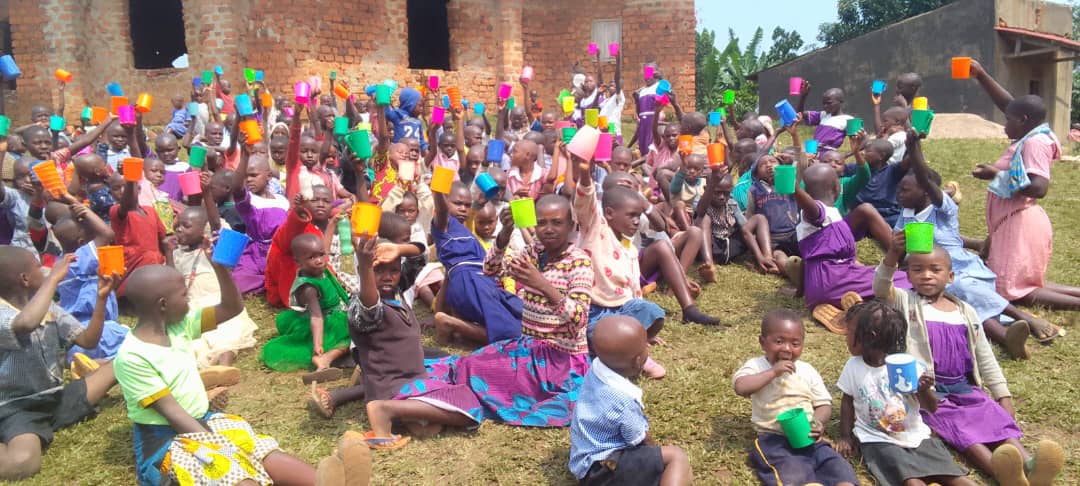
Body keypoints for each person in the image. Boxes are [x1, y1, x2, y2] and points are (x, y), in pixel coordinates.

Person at [363, 195, 593, 446]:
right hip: (527, 349)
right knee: (464, 366)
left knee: (474, 380)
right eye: (542, 222)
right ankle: (398, 391)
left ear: (572, 226)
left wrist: (541, 284)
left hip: (558, 364)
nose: (548, 229)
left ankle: (404, 406)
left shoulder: (578, 262)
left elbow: (578, 320)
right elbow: (490, 271)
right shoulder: (535, 252)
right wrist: (504, 235)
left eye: (557, 223)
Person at [111, 262, 369, 485]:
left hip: (204, 420)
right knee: (232, 470)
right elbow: (174, 414)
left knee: (259, 449)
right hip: (166, 440)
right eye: (183, 294)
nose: (189, 298)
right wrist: (224, 450)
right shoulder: (132, 357)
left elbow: (231, 308)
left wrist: (221, 269)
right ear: (162, 305)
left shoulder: (179, 326)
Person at [874, 236, 1065, 485]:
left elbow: (985, 357)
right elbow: (880, 287)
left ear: (951, 277)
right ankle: (1003, 474)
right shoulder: (906, 302)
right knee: (965, 434)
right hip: (930, 393)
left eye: (935, 269)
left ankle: (1031, 466)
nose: (926, 275)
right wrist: (892, 254)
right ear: (907, 276)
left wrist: (1003, 396)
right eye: (917, 270)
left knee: (995, 419)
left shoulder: (965, 311)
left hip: (965, 388)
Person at [894, 131, 1055, 359]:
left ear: (926, 192)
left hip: (962, 270)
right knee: (957, 302)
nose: (899, 194)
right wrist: (899, 251)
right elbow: (900, 250)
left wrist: (914, 147)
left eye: (905, 190)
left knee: (961, 288)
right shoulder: (906, 214)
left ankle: (1025, 318)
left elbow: (925, 179)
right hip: (930, 276)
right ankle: (1004, 337)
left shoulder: (943, 209)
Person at [967, 59, 1080, 310]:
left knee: (1013, 292)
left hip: (1021, 223)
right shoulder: (1032, 131)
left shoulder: (1034, 143)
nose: (1004, 123)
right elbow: (1010, 104)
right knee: (1027, 284)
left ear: (1024, 120)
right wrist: (982, 74)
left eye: (1008, 120)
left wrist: (996, 173)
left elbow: (1039, 187)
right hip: (1014, 222)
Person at [0, 248, 118, 480]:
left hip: (54, 398)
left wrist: (101, 299)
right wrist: (54, 279)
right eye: (37, 266)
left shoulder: (47, 307)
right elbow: (24, 324)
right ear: (24, 279)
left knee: (123, 363)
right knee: (23, 463)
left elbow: (88, 340)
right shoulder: (4, 312)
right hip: (19, 408)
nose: (45, 271)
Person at [835, 301, 975, 486]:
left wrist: (923, 389)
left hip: (917, 435)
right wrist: (845, 435)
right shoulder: (853, 366)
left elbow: (931, 408)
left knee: (954, 476)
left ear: (870, 337)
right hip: (877, 438)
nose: (846, 337)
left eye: (851, 333)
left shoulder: (908, 367)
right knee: (911, 481)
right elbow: (847, 401)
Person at [733, 309, 858, 486]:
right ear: (762, 342)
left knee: (836, 465)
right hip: (774, 440)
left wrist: (817, 422)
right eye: (779, 341)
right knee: (791, 470)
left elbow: (824, 404)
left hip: (809, 437)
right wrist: (773, 372)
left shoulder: (807, 370)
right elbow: (741, 387)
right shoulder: (757, 366)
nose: (787, 348)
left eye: (795, 343)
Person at [573, 152, 669, 379]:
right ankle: (615, 358)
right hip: (595, 311)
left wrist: (642, 331)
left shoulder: (630, 249)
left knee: (654, 312)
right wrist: (586, 175)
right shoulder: (595, 229)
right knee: (598, 335)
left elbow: (634, 289)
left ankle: (637, 348)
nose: (636, 221)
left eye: (638, 215)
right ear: (609, 213)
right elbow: (585, 202)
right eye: (631, 215)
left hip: (624, 309)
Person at [568, 316, 691, 486]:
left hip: (584, 466)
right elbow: (640, 439)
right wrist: (655, 460)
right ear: (638, 361)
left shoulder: (596, 368)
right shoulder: (623, 399)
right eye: (645, 346)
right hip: (605, 472)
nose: (648, 346)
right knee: (676, 457)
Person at [793, 161, 910, 333]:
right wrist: (793, 187)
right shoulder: (817, 213)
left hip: (822, 284)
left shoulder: (830, 215)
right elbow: (812, 208)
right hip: (834, 279)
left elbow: (807, 260)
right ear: (837, 187)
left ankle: (848, 307)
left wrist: (802, 291)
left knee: (875, 275)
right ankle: (857, 313)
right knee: (904, 280)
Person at [428, 181, 523, 344]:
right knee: (512, 334)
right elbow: (442, 209)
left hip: (481, 282)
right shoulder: (443, 224)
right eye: (457, 203)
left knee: (524, 316)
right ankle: (454, 324)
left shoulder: (464, 230)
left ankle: (456, 325)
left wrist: (438, 310)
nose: (463, 209)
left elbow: (448, 279)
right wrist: (438, 189)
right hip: (472, 282)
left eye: (467, 205)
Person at [165, 206, 259, 367]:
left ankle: (224, 368)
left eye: (186, 226)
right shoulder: (176, 254)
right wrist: (168, 253)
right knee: (195, 340)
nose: (179, 229)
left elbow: (216, 224)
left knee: (226, 332)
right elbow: (171, 282)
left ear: (203, 229)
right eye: (177, 225)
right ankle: (204, 372)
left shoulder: (215, 248)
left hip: (219, 302)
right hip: (192, 306)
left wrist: (206, 190)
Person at [261, 233, 351, 380]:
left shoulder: (319, 269)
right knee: (351, 336)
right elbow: (316, 317)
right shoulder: (309, 288)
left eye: (321, 255)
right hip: (323, 322)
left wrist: (332, 224)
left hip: (330, 314)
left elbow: (325, 247)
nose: (319, 261)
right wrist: (318, 344)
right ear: (298, 262)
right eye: (311, 258)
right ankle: (325, 358)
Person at [50, 197, 129, 364]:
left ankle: (90, 364)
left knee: (82, 354)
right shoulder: (82, 256)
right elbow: (107, 234)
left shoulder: (59, 263)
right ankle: (107, 364)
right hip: (100, 327)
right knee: (135, 344)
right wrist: (85, 211)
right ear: (81, 241)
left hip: (78, 332)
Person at [110, 172, 167, 296]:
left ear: (139, 188)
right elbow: (127, 204)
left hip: (154, 266)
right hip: (132, 268)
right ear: (111, 194)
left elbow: (163, 239)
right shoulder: (117, 211)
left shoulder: (150, 211)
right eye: (116, 188)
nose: (123, 190)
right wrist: (131, 180)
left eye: (127, 186)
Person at [796, 81, 854, 152]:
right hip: (812, 154)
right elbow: (800, 114)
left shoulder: (848, 119)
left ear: (840, 101)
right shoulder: (823, 115)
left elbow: (862, 142)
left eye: (829, 103)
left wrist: (844, 156)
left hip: (828, 158)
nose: (825, 106)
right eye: (824, 104)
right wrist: (803, 96)